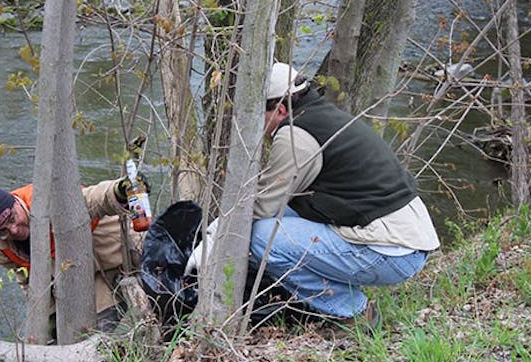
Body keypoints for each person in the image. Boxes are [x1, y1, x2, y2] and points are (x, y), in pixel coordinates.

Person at [187, 62, 440, 330]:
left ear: (281, 110)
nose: (253, 123)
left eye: (258, 113)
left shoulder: (296, 137)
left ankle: (354, 313)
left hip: (392, 253)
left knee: (263, 237)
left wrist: (213, 239)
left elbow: (261, 207)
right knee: (283, 219)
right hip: (409, 239)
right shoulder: (323, 116)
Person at [0, 177, 145, 335]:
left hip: (126, 251)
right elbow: (31, 282)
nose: (14, 230)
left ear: (15, 202)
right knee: (91, 337)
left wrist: (118, 191)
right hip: (88, 278)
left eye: (11, 219)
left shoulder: (46, 199)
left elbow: (92, 199)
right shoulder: (0, 246)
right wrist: (48, 321)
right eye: (3, 230)